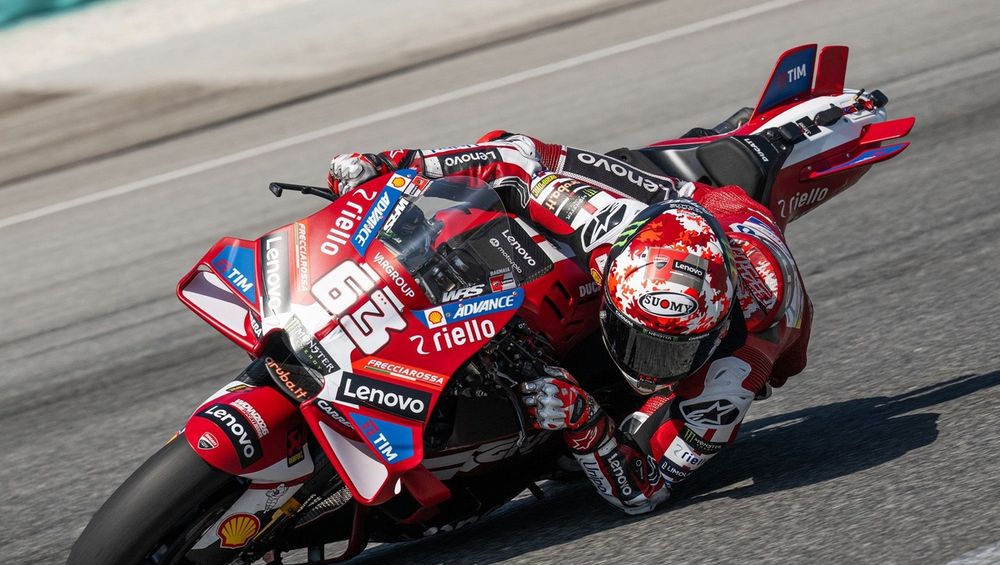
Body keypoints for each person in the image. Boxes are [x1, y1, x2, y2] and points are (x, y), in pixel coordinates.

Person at [327, 131, 812, 514]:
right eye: (638, 340)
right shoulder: (609, 225)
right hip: (691, 207)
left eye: (672, 352)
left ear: (714, 329)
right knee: (512, 200)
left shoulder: (734, 374)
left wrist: (583, 420)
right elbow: (515, 158)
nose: (649, 365)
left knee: (782, 367)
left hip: (766, 290)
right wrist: (391, 164)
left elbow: (641, 491)